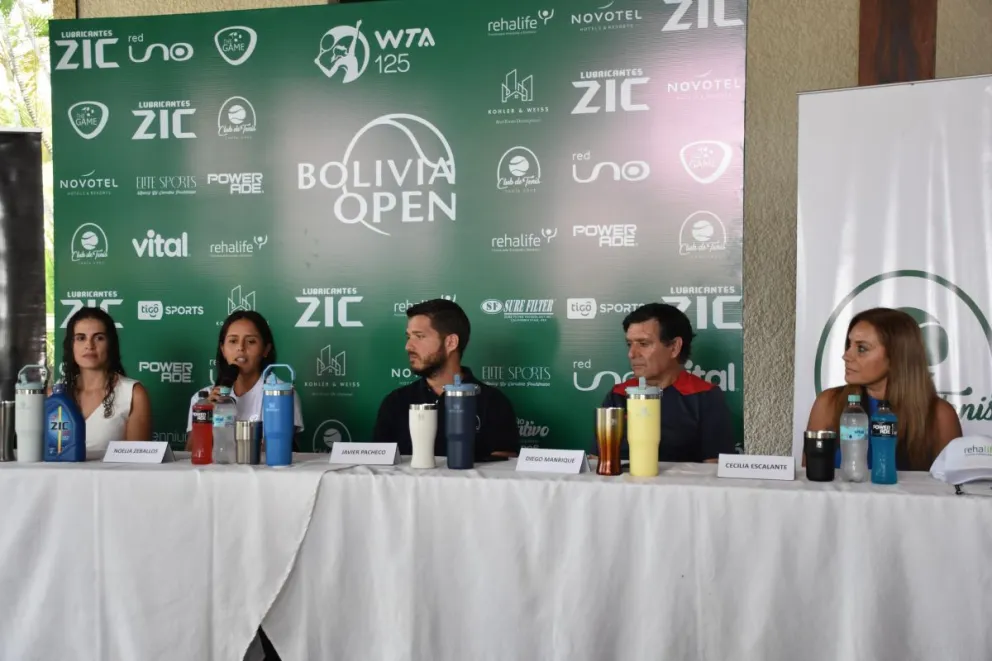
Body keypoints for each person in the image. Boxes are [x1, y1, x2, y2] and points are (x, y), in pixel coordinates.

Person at [805, 307, 962, 470]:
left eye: (862, 348)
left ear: (897, 356)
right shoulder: (829, 403)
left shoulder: (940, 415)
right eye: (849, 345)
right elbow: (808, 485)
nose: (846, 356)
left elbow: (952, 490)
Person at [372, 298, 520, 458]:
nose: (408, 346)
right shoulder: (396, 402)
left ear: (451, 342)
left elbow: (503, 472)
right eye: (409, 337)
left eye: (419, 336)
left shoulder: (492, 403)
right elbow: (379, 469)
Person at [596, 303, 738, 463]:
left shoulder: (705, 396)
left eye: (643, 344)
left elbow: (715, 468)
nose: (631, 354)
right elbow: (597, 461)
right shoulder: (618, 395)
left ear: (674, 348)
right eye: (630, 344)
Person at [185, 310, 303, 446]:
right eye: (233, 341)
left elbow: (276, 448)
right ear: (223, 349)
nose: (240, 348)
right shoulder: (201, 399)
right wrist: (206, 417)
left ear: (266, 349)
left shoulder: (283, 395)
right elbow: (191, 453)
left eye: (251, 342)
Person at [61, 307, 152, 454]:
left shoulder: (133, 394)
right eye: (81, 338)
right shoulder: (54, 395)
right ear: (71, 346)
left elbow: (137, 465)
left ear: (111, 344)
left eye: (99, 338)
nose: (89, 345)